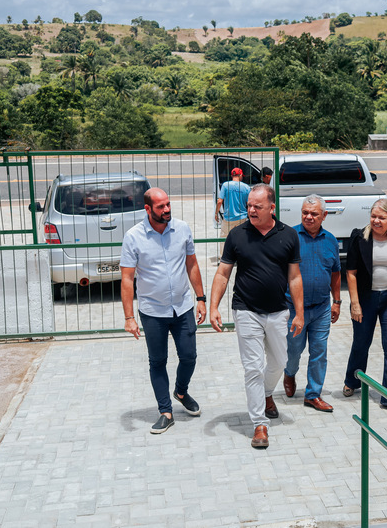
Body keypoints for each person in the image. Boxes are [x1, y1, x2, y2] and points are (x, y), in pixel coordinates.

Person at [210, 184, 304, 449]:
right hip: (246, 310)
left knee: (279, 362)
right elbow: (223, 273)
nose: (250, 210)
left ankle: (265, 393)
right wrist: (214, 306)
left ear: (271, 207)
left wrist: (299, 313)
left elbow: (294, 277)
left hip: (278, 311)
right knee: (253, 368)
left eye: (257, 206)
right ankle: (259, 424)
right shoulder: (237, 235)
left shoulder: (289, 235)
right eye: (249, 205)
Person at [120, 188, 207, 434]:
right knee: (157, 361)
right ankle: (165, 411)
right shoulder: (134, 237)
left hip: (182, 306)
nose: (167, 210)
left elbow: (192, 263)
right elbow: (127, 279)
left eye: (168, 204)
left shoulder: (182, 229)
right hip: (152, 311)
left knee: (189, 356)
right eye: (160, 207)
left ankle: (181, 390)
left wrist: (201, 298)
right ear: (147, 209)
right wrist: (129, 317)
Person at [342, 199, 387, 412]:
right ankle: (352, 380)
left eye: (381, 218)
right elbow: (351, 273)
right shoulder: (359, 237)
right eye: (373, 216)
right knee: (361, 344)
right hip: (365, 300)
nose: (376, 221)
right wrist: (354, 304)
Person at [283, 195, 341, 413]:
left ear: (324, 216)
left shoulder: (331, 240)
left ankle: (313, 394)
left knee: (319, 351)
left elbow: (336, 273)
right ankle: (289, 373)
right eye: (305, 212)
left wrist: (337, 302)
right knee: (294, 351)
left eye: (314, 214)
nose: (308, 217)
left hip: (322, 308)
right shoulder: (290, 237)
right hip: (293, 308)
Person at [214, 167, 250, 259]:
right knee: (241, 238)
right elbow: (249, 203)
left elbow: (219, 201)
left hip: (228, 218)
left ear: (232, 175)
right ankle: (241, 257)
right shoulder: (246, 187)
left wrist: (216, 213)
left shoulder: (226, 185)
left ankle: (223, 258)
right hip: (242, 218)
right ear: (241, 175)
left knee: (224, 237)